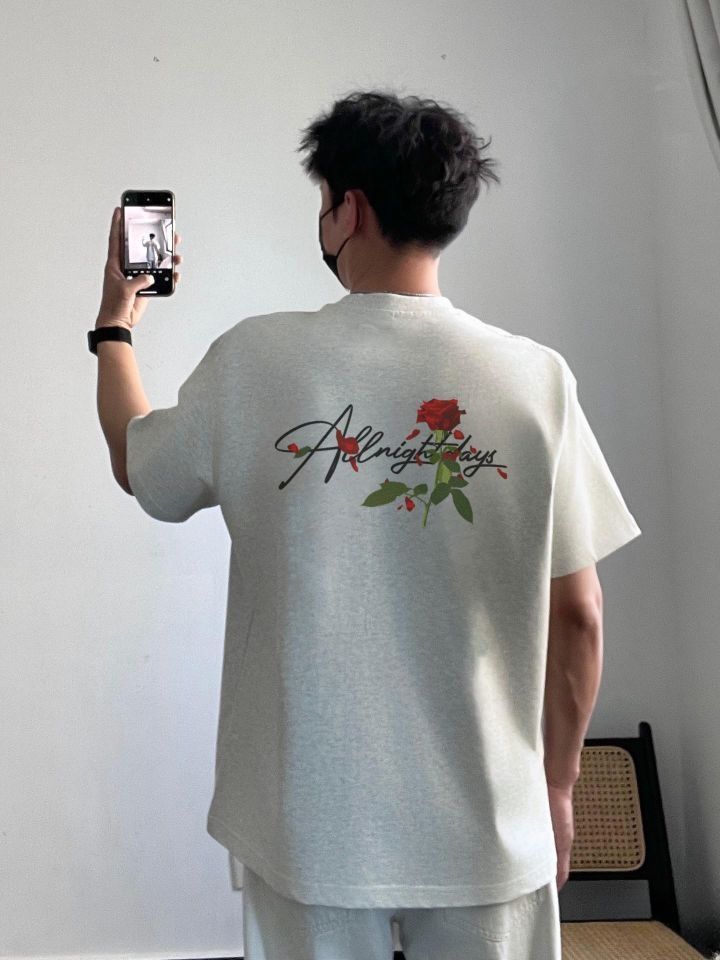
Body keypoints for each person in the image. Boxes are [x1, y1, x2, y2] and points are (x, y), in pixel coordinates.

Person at [104, 88, 642, 959]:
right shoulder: (536, 379)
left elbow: (139, 463)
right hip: (490, 825)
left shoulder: (256, 358)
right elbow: (579, 613)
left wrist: (115, 325)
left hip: (306, 819)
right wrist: (558, 787)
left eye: (324, 200)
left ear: (348, 209)